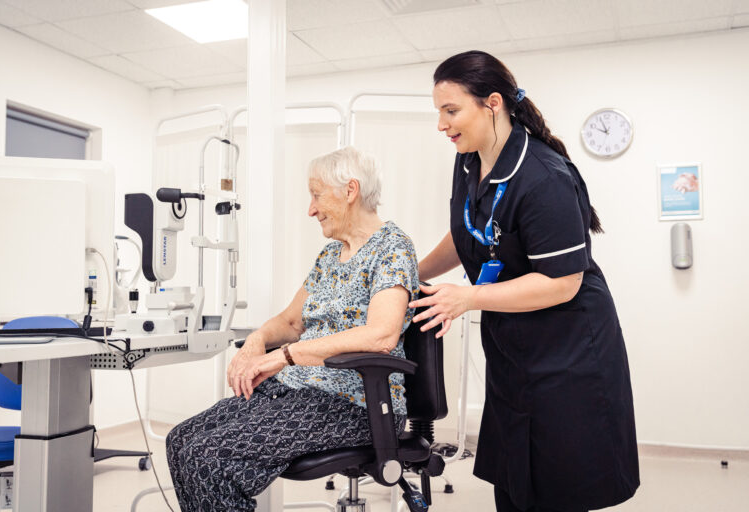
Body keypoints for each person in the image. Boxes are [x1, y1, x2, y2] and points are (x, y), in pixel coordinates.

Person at [410, 50, 639, 512]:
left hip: (567, 349)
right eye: (439, 112)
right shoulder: (470, 159)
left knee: (556, 485)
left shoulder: (544, 177)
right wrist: (408, 275)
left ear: (491, 103)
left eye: (451, 111)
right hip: (514, 344)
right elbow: (468, 235)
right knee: (514, 483)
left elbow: (562, 283)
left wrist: (468, 297)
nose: (442, 124)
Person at [166, 146, 420, 512]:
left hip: (354, 404)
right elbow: (290, 322)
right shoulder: (330, 256)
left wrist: (284, 356)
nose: (311, 209)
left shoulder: (392, 248)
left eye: (317, 195)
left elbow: (381, 334)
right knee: (181, 441)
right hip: (297, 392)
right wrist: (257, 342)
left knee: (209, 457)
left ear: (350, 191)